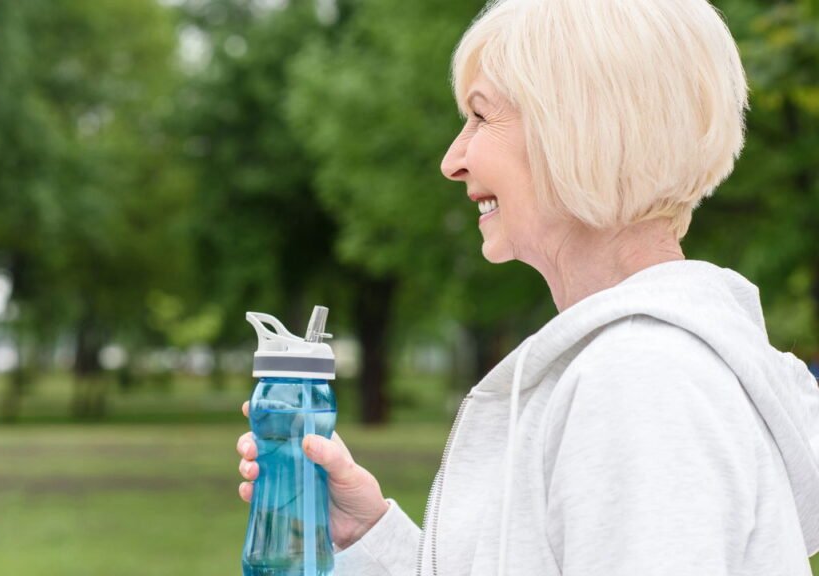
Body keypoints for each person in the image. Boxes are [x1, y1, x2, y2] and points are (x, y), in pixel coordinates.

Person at [235, 0, 819, 573]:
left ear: (580, 129)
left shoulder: (640, 379)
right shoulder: (629, 367)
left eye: (482, 117)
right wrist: (369, 536)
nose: (453, 159)